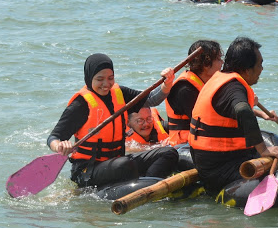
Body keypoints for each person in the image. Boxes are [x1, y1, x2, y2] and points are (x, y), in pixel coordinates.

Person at [47, 53, 179, 189]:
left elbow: (152, 99)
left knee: (169, 152)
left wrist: (167, 83)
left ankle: (149, 185)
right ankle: (143, 185)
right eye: (100, 79)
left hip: (117, 162)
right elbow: (53, 137)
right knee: (125, 165)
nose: (106, 84)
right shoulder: (80, 105)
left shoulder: (119, 92)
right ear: (89, 78)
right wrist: (59, 146)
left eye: (110, 78)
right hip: (88, 171)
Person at [189, 37, 278, 195]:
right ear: (247, 70)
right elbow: (243, 110)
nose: (262, 68)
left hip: (211, 159)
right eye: (260, 64)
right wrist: (263, 150)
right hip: (221, 166)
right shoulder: (233, 87)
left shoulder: (220, 78)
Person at [165, 40, 223, 146]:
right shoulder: (184, 89)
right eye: (218, 59)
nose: (222, 63)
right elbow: (205, 122)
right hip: (183, 145)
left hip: (199, 140)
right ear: (206, 64)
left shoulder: (204, 83)